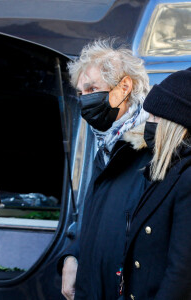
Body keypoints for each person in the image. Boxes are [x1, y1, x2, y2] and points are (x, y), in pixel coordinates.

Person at [59, 39, 151, 300]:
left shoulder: (153, 151)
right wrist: (72, 254)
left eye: (92, 88)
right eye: (80, 93)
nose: (85, 100)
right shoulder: (104, 144)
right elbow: (95, 218)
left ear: (124, 87)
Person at [122, 68, 191, 300]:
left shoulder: (187, 178)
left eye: (154, 117)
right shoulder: (166, 171)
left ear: (173, 124)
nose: (147, 123)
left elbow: (180, 273)